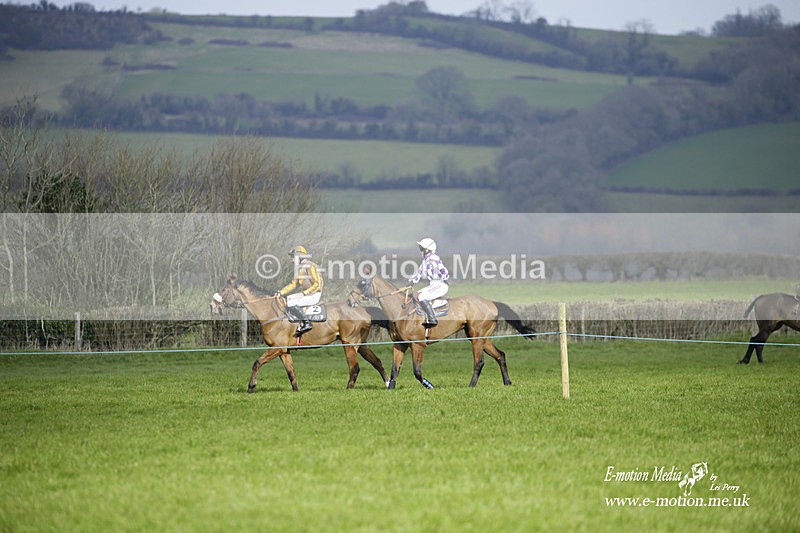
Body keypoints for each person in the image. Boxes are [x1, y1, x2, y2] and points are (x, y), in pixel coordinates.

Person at [277, 245, 324, 336]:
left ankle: (307, 323)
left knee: (291, 303)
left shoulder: (311, 266)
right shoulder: (299, 269)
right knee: (288, 299)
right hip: (307, 294)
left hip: (314, 294)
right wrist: (281, 292)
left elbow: (318, 284)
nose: (292, 260)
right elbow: (293, 284)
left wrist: (303, 293)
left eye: (293, 257)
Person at [408, 237, 450, 327]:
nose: (420, 250)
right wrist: (411, 282)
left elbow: (443, 270)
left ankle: (432, 319)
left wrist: (444, 276)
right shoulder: (425, 260)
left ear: (427, 249)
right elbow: (419, 272)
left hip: (440, 285)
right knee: (417, 294)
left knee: (422, 297)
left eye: (421, 248)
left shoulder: (434, 258)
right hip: (434, 285)